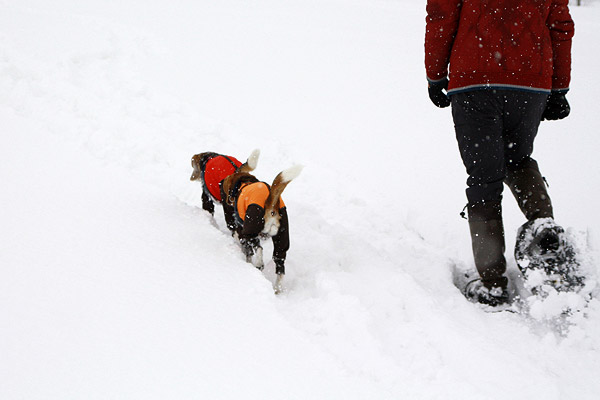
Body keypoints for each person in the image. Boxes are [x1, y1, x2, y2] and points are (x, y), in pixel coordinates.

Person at [425, 0, 574, 306]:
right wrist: (559, 86)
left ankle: (492, 282)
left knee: (484, 177)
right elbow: (560, 24)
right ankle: (544, 232)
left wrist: (436, 74)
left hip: (475, 79)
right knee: (518, 160)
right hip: (530, 80)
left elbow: (442, 13)